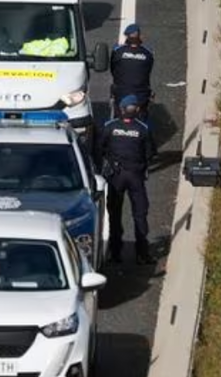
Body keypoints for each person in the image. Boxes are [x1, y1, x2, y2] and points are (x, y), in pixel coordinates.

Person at [96, 94, 158, 265]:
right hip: (136, 176)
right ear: (137, 110)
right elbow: (151, 152)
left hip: (116, 176)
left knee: (114, 214)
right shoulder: (143, 128)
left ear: (121, 109)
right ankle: (142, 254)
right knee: (140, 213)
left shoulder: (110, 127)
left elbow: (99, 148)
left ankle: (115, 253)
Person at [111, 23, 154, 120]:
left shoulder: (118, 51)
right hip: (141, 94)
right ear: (140, 37)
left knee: (118, 116)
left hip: (121, 92)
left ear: (127, 37)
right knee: (143, 118)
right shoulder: (148, 53)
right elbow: (148, 71)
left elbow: (113, 70)